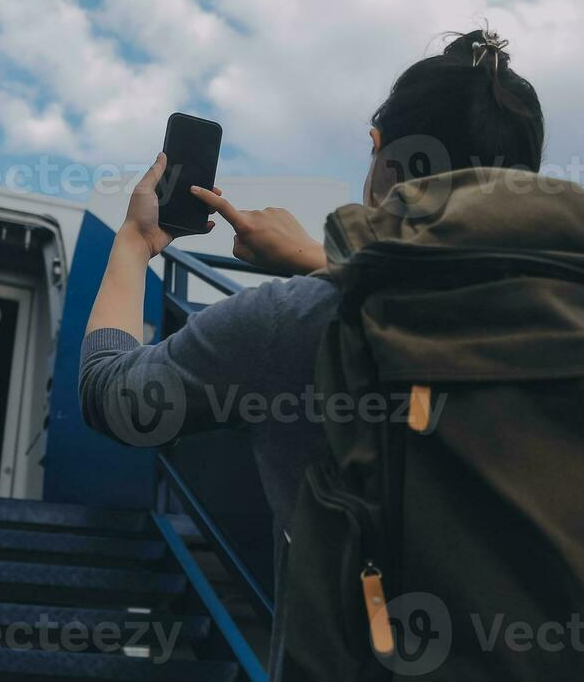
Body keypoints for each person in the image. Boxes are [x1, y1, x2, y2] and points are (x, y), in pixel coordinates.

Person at [78, 28, 543, 533]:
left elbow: (114, 396)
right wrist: (317, 259)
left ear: (380, 151)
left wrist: (134, 241)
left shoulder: (295, 322)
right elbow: (436, 289)